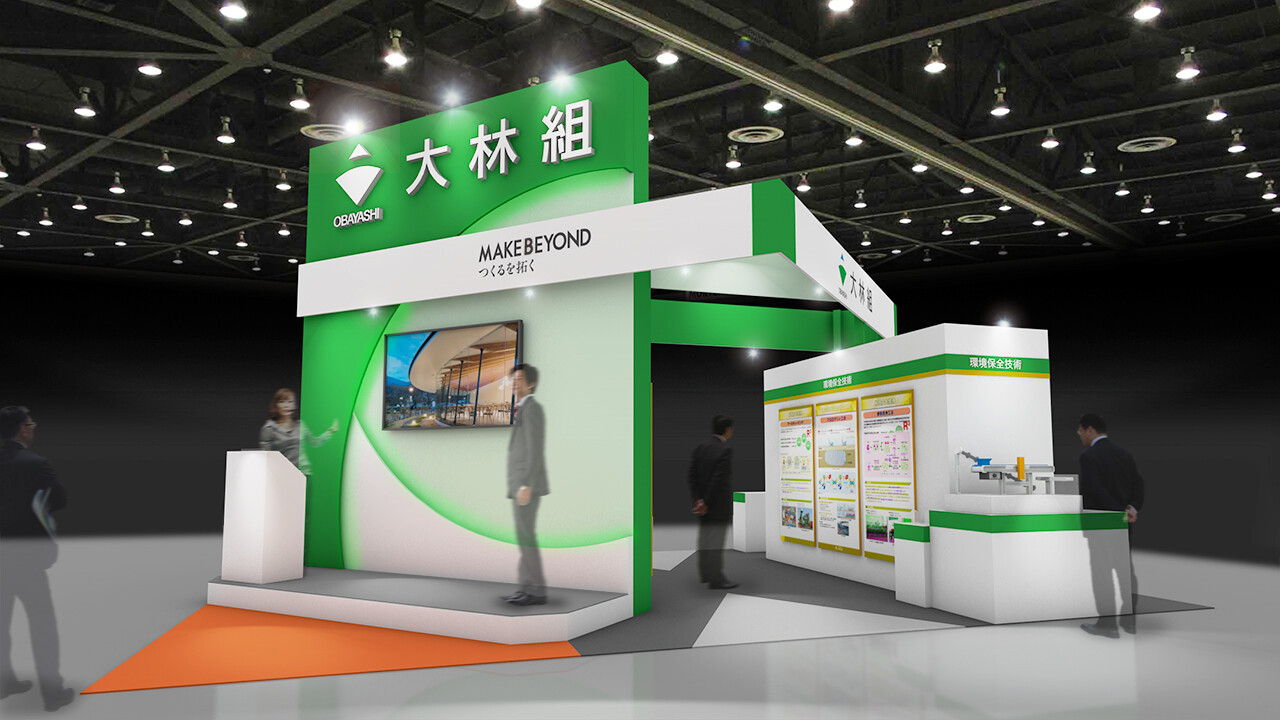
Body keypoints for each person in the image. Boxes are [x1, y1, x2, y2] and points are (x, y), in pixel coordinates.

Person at [0, 406, 74, 712]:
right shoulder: (36, 463)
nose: (33, 427)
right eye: (31, 423)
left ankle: (4, 683)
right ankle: (52, 694)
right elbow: (60, 500)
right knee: (42, 625)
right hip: (26, 558)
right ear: (22, 429)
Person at [1076, 413, 1145, 638]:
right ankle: (1130, 623)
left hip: (1101, 523)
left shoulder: (1089, 456)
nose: (1079, 435)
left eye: (1080, 431)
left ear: (1090, 429)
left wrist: (1116, 512)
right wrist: (1131, 508)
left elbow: (1094, 489)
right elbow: (1138, 483)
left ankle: (1107, 626)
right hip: (1124, 523)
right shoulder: (1124, 454)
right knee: (1126, 572)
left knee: (1102, 574)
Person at [501, 364, 549, 606]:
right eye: (513, 379)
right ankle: (525, 588)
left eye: (519, 379)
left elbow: (535, 449)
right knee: (523, 536)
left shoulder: (532, 409)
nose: (514, 383)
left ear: (531, 384)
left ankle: (536, 592)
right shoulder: (522, 408)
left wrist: (526, 485)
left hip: (526, 486)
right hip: (520, 484)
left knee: (527, 536)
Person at [688, 414, 737, 590]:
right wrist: (707, 501)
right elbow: (718, 479)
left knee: (704, 539)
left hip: (702, 506)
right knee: (716, 541)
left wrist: (698, 501)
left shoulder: (700, 447)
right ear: (727, 429)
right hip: (717, 505)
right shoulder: (725, 449)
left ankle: (705, 574)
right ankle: (717, 579)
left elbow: (692, 476)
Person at [258, 389, 338, 476]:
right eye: (282, 401)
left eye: (290, 402)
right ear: (276, 405)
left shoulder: (301, 425)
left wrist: (331, 431)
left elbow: (315, 442)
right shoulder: (269, 429)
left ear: (294, 405)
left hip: (303, 473)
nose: (286, 405)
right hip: (282, 474)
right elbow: (267, 457)